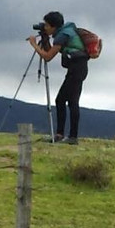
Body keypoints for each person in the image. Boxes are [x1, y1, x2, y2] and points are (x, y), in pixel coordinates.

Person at [27, 11, 89, 144]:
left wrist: (34, 44)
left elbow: (48, 57)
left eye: (47, 26)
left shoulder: (62, 35)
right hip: (78, 68)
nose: (45, 28)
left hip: (77, 70)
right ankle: (62, 135)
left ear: (54, 26)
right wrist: (44, 39)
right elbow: (50, 50)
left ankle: (72, 137)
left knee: (70, 102)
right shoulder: (65, 32)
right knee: (62, 100)